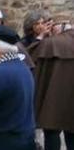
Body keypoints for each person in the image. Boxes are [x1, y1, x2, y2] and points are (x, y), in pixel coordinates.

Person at [28, 19, 74, 150]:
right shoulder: (51, 42)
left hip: (52, 99)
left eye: (51, 26)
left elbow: (25, 56)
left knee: (51, 133)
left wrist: (40, 37)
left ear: (58, 27)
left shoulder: (49, 43)